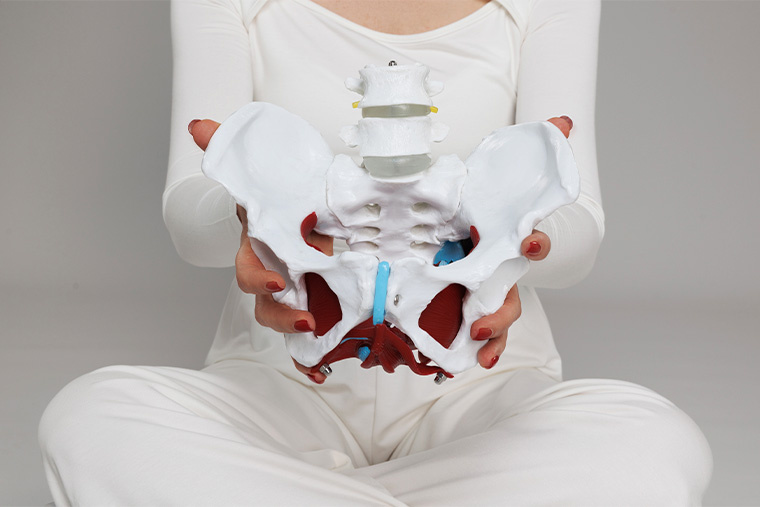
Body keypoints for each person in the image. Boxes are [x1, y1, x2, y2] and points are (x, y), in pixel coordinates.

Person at [38, 0, 713, 504]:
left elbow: (577, 231)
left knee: (651, 442)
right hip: (277, 386)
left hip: (483, 391)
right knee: (92, 417)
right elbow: (191, 219)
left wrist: (519, 238)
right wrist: (251, 217)